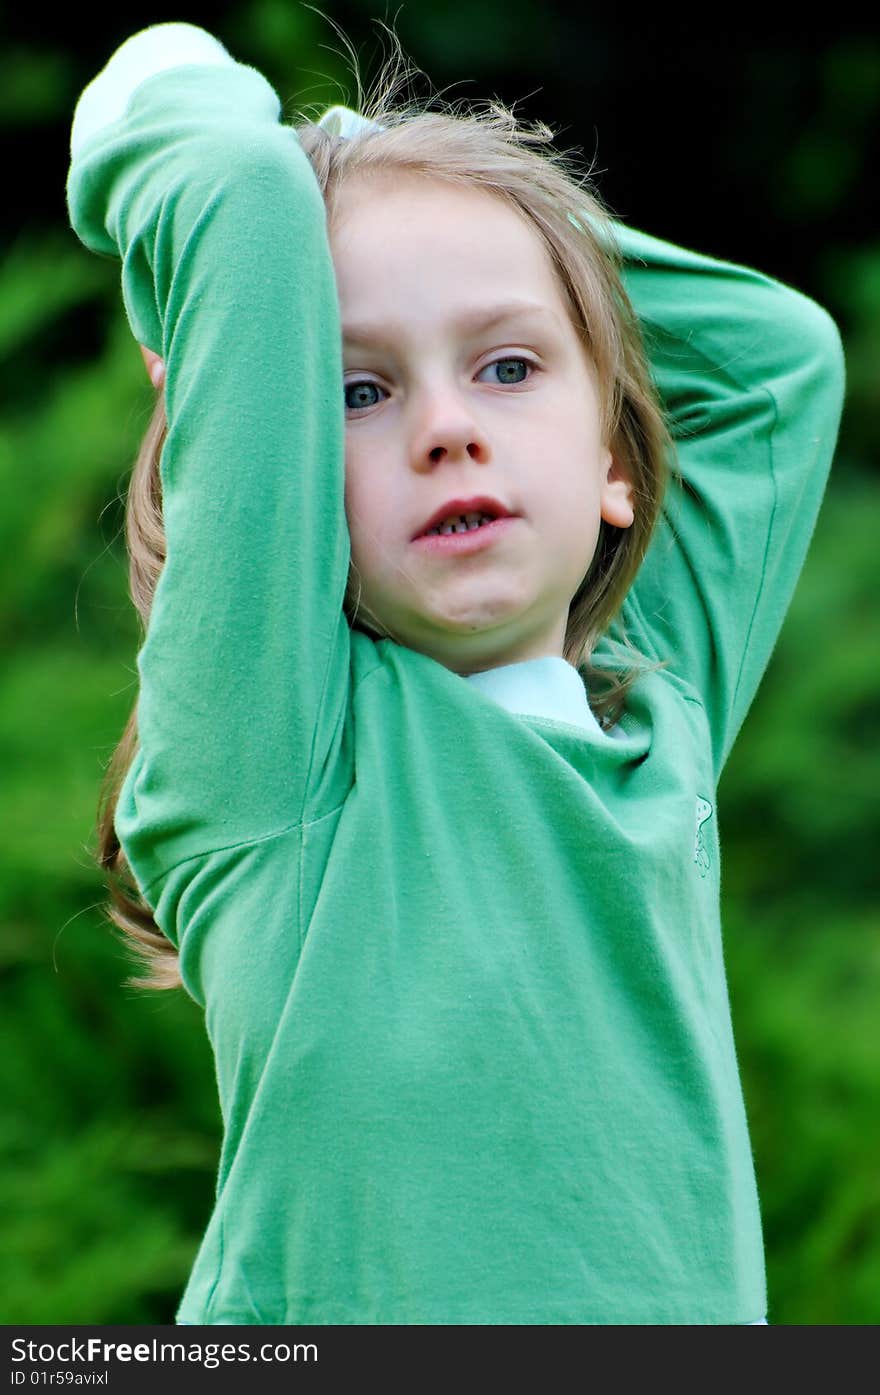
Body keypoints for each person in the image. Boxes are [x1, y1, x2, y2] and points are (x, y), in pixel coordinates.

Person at [65, 21, 845, 1325]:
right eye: (358, 391)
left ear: (618, 466)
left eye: (509, 365)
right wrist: (262, 153)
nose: (447, 428)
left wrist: (414, 183)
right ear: (284, 467)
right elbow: (242, 201)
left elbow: (779, 362)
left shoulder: (658, 709)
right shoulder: (273, 752)